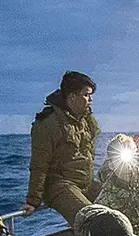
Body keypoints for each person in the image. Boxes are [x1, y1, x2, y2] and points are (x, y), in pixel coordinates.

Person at [22, 71, 101, 224]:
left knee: (120, 204)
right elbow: (39, 164)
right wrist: (33, 201)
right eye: (86, 95)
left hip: (85, 183)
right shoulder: (48, 123)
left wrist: (87, 114)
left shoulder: (85, 119)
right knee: (91, 220)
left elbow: (93, 136)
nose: (90, 100)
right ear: (72, 97)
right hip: (59, 185)